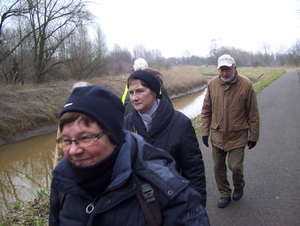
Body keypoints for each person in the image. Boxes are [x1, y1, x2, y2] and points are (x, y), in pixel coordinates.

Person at [49, 85, 210, 225]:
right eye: (66, 140)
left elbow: (193, 166)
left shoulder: (168, 193)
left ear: (113, 135)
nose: (72, 150)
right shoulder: (62, 181)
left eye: (85, 138)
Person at [123, 68, 207, 206]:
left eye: (140, 91)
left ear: (155, 92)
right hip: (139, 206)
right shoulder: (126, 123)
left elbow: (194, 171)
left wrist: (197, 207)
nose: (134, 97)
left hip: (173, 203)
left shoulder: (181, 123)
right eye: (131, 92)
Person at [201, 54, 260, 208]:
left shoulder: (246, 85)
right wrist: (205, 132)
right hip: (218, 135)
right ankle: (225, 193)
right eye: (222, 70)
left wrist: (253, 136)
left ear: (235, 68)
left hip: (238, 135)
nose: (225, 73)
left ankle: (239, 185)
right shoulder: (212, 84)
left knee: (235, 166)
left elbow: (253, 113)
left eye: (228, 70)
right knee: (218, 167)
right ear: (218, 69)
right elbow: (206, 110)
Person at [53, 81, 92, 168]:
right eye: (76, 95)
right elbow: (59, 150)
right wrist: (56, 173)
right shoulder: (65, 119)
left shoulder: (98, 117)